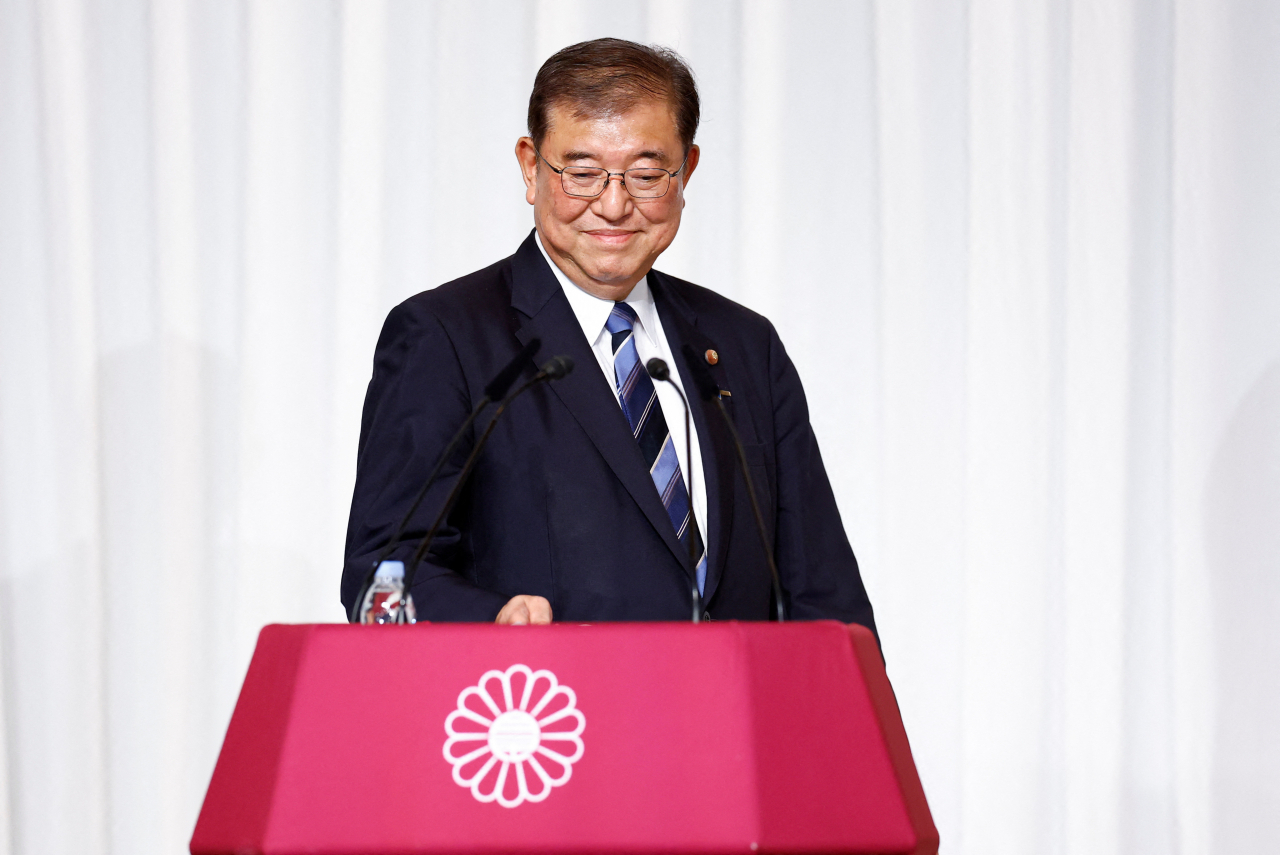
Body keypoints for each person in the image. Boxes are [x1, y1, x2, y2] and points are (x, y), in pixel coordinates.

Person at [341, 38, 876, 635]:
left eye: (647, 174)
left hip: (731, 720)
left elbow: (823, 591)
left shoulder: (744, 345)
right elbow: (382, 573)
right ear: (529, 166)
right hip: (554, 713)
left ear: (687, 170)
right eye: (583, 173)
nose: (615, 205)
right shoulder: (446, 337)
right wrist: (492, 620)